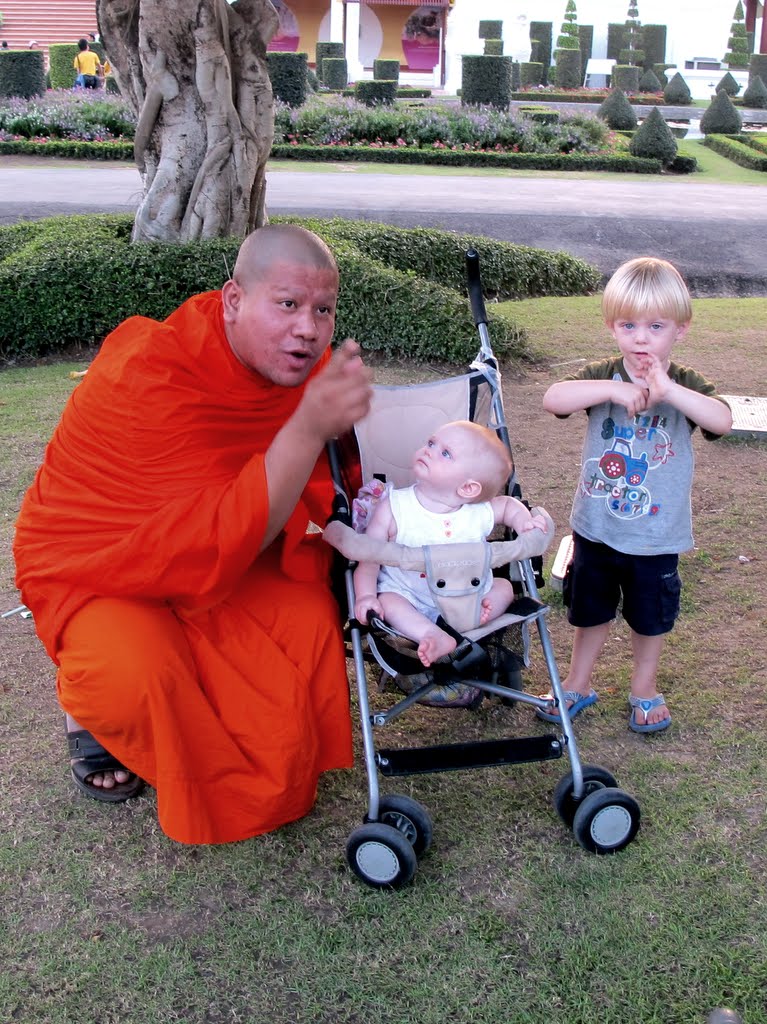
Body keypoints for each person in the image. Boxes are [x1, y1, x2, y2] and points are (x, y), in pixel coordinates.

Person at [14, 224, 373, 844]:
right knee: (137, 677)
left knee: (306, 619)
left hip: (220, 556)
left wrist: (313, 427)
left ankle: (234, 748)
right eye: (287, 304)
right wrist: (305, 431)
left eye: (323, 309)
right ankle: (92, 720)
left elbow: (263, 516)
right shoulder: (152, 371)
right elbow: (212, 522)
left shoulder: (299, 380)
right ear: (234, 301)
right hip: (105, 571)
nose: (308, 329)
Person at [540, 256, 732, 732]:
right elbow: (553, 399)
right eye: (628, 325)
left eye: (655, 326)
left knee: (650, 619)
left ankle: (644, 689)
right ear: (612, 326)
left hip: (657, 536)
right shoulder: (603, 374)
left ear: (680, 330)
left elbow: (723, 421)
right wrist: (612, 388)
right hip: (597, 527)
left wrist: (668, 391)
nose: (641, 337)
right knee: (590, 610)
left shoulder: (685, 384)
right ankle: (578, 683)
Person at [353, 420, 548, 668]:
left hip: (469, 596)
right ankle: (430, 634)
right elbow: (368, 558)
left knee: (504, 588)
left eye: (445, 453)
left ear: (468, 488)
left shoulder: (477, 511)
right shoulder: (394, 507)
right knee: (388, 601)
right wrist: (366, 596)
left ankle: (475, 619)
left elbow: (509, 506)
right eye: (431, 443)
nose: (429, 450)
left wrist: (524, 523)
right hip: (411, 597)